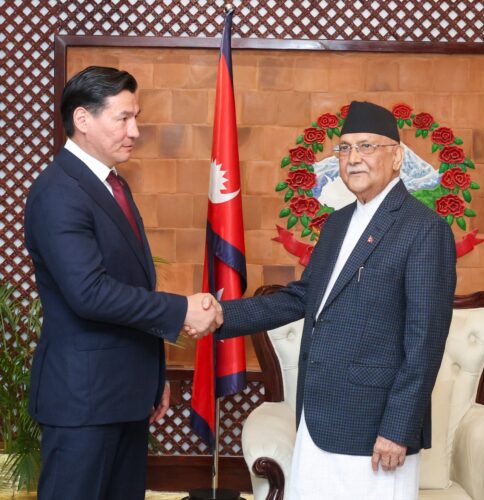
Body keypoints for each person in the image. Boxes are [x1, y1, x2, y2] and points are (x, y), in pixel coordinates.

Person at [201, 101, 457, 499]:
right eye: (345, 148)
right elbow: (304, 297)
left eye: (367, 146)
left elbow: (425, 340)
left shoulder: (424, 229)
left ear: (397, 157)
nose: (353, 158)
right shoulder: (338, 223)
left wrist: (398, 428)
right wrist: (220, 315)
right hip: (317, 418)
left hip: (375, 431)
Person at [24, 66, 220, 500]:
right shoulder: (59, 191)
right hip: (83, 403)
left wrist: (152, 375)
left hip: (125, 396)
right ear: (82, 119)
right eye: (123, 118)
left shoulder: (113, 184)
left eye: (137, 118)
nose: (135, 131)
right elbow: (89, 293)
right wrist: (181, 309)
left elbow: (131, 285)